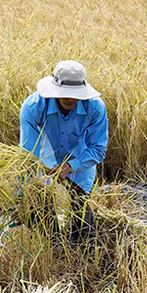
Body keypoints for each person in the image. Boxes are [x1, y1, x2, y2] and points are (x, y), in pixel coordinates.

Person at [19, 60, 108, 243]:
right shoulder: (34, 106)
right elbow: (28, 153)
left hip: (79, 161)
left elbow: (98, 149)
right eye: (65, 94)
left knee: (82, 222)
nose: (70, 99)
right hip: (44, 160)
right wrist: (23, 194)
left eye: (75, 95)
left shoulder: (95, 107)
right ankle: (52, 251)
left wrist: (70, 166)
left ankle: (83, 260)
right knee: (41, 217)